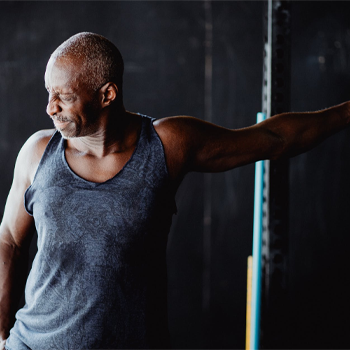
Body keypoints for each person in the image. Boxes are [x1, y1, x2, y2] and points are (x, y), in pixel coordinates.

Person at [0, 32, 349, 350]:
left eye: (64, 97)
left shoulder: (167, 145)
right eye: (49, 93)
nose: (50, 107)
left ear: (107, 94)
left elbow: (274, 140)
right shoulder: (37, 154)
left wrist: (346, 113)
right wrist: (1, 332)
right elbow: (9, 241)